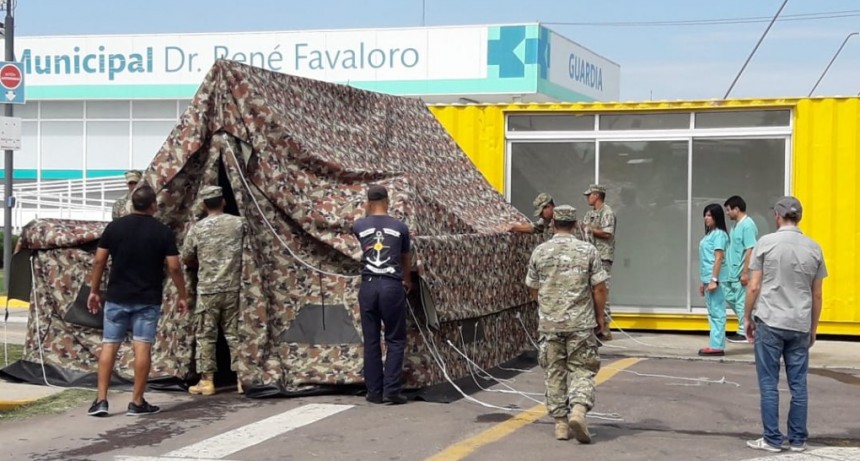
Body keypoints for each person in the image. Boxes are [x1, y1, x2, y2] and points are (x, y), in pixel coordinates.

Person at [86, 185, 188, 417]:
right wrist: (183, 294)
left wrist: (94, 290)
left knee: (109, 345)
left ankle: (101, 400)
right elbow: (174, 266)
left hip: (116, 297)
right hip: (147, 299)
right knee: (142, 346)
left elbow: (99, 261)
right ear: (153, 205)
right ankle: (137, 401)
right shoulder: (162, 232)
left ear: (132, 204)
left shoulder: (115, 228)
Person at [744, 196, 826, 454]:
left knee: (769, 382)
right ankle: (798, 438)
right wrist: (813, 327)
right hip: (799, 322)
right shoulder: (814, 248)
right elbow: (817, 294)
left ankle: (772, 438)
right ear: (799, 217)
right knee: (798, 383)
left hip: (770, 319)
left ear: (777, 216)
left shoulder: (766, 243)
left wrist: (747, 317)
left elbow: (754, 285)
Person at [525, 204, 608, 443]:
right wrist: (600, 318)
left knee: (554, 371)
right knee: (582, 369)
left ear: (553, 224)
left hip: (550, 323)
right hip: (580, 323)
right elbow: (599, 287)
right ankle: (579, 411)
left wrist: (545, 306)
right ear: (575, 224)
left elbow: (532, 286)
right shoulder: (587, 250)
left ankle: (561, 424)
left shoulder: (540, 251)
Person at [351, 184, 412, 405]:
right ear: (388, 202)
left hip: (367, 286)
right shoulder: (401, 228)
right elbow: (405, 258)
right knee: (395, 339)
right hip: (391, 285)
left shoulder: (358, 226)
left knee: (372, 340)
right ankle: (392, 390)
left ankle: (374, 392)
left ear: (368, 203)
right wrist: (407, 281)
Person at [181, 185, 244, 396]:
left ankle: (207, 381)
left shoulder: (197, 228)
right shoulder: (239, 223)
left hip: (208, 289)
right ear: (223, 201)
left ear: (203, 205)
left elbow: (187, 256)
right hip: (233, 287)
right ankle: (241, 380)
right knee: (234, 334)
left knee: (206, 336)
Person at [582, 184, 615, 340]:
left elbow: (607, 233)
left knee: (603, 290)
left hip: (602, 256)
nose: (588, 198)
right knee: (590, 290)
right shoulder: (590, 214)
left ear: (597, 195)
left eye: (590, 195)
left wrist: (589, 229)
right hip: (590, 255)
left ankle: (605, 326)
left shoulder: (607, 212)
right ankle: (594, 324)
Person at [723, 195, 759, 343]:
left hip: (740, 271)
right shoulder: (736, 225)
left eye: (728, 210)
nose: (727, 213)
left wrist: (746, 272)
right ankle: (749, 324)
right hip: (732, 271)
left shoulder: (748, 225)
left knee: (740, 301)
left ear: (736, 209)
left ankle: (743, 331)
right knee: (729, 296)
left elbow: (750, 249)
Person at [697, 203, 729, 357]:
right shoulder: (710, 234)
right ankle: (714, 343)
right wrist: (703, 281)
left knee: (717, 311)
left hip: (716, 279)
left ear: (716, 217)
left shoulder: (719, 235)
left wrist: (714, 279)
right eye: (705, 215)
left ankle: (717, 345)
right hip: (708, 278)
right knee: (712, 311)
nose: (706, 218)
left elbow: (718, 258)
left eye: (709, 215)